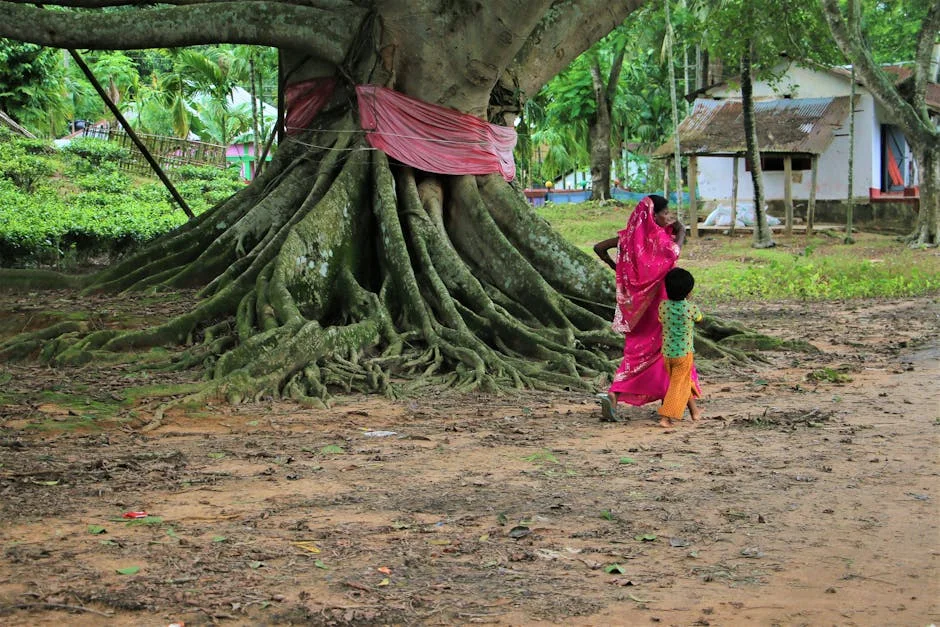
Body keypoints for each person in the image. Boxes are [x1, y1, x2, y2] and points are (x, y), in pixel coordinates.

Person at [593, 194, 694, 422]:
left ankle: (614, 394)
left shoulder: (630, 238)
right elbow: (674, 253)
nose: (668, 217)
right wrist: (682, 232)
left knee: (637, 353)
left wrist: (618, 268)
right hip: (661, 306)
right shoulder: (660, 239)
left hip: (637, 309)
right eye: (665, 213)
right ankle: (668, 399)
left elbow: (598, 247)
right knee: (664, 351)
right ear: (653, 215)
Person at [657, 267, 703, 427]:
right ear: (688, 292)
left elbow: (659, 319)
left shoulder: (663, 307)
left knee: (682, 381)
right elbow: (699, 318)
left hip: (667, 354)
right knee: (678, 384)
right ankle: (666, 417)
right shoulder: (691, 308)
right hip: (684, 354)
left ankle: (694, 411)